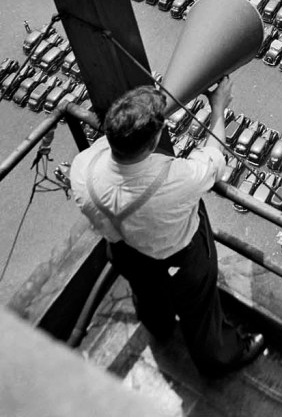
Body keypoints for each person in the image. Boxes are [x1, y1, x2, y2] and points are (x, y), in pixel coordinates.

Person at [69, 80, 265, 376]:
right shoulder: (175, 179)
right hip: (180, 259)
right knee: (200, 312)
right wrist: (218, 109)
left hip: (125, 253)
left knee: (148, 297)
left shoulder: (82, 168)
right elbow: (214, 160)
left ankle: (160, 329)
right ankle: (219, 358)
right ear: (153, 142)